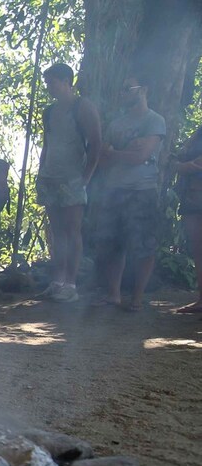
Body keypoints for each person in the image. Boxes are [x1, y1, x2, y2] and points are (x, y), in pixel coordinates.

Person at [93, 75, 165, 311]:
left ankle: (137, 298)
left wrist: (115, 152)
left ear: (143, 89)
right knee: (113, 244)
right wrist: (122, 153)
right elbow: (102, 159)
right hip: (114, 190)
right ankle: (114, 294)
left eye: (127, 88)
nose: (123, 93)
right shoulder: (116, 124)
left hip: (142, 190)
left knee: (144, 245)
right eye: (121, 89)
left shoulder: (155, 121)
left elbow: (140, 157)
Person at [35, 63, 102, 303]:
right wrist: (41, 171)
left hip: (73, 177)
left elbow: (96, 144)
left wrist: (85, 178)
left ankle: (71, 284)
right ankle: (57, 281)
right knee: (57, 231)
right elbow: (47, 142)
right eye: (47, 82)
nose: (49, 86)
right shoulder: (49, 111)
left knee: (72, 231)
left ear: (66, 81)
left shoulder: (82, 107)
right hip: (50, 176)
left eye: (52, 81)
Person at [172, 125, 202, 314]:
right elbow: (178, 159)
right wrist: (183, 166)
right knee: (197, 248)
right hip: (192, 197)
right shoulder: (198, 131)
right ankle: (201, 299)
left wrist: (185, 166)